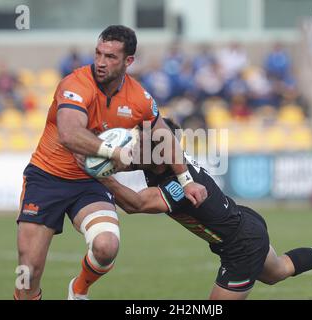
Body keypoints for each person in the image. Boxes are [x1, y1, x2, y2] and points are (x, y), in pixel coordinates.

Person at [15, 25, 207, 300]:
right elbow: (69, 134)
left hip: (90, 182)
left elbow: (164, 135)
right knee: (28, 272)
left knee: (106, 246)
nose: (101, 62)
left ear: (128, 61)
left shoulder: (139, 97)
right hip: (47, 178)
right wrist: (114, 153)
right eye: (98, 54)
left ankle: (78, 291)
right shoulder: (75, 85)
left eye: (110, 57)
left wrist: (186, 181)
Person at [98, 119, 312, 300]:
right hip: (242, 223)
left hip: (241, 244)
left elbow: (135, 204)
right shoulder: (163, 161)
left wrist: (100, 175)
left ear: (159, 154)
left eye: (141, 146)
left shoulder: (180, 185)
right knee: (277, 272)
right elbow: (123, 159)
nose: (134, 150)